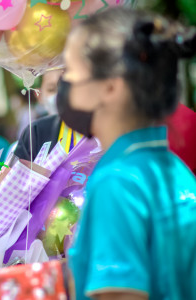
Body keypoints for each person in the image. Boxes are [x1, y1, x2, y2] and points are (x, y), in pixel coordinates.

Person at [57, 7, 196, 300]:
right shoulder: (174, 169)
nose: (64, 84)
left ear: (109, 87)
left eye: (69, 70)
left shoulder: (116, 182)